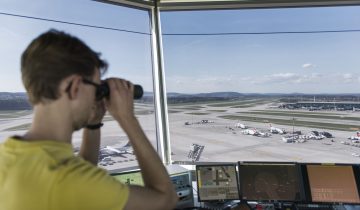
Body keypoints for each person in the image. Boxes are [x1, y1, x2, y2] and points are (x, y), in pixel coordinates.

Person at [0, 29, 178, 210]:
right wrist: (127, 118)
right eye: (96, 87)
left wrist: (93, 124)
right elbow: (165, 199)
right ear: (75, 87)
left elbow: (82, 170)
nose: (96, 96)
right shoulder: (66, 180)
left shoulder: (11, 156)